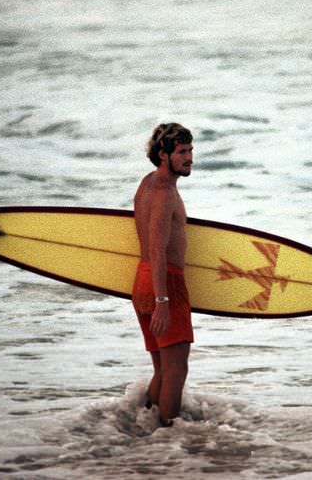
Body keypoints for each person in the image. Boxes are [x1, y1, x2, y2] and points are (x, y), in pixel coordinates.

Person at [131, 123, 194, 427]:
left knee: (162, 369)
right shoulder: (164, 192)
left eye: (191, 150)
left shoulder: (147, 183)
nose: (190, 157)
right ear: (162, 154)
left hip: (143, 280)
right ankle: (170, 439)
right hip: (164, 282)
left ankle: (143, 424)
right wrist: (163, 301)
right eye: (182, 151)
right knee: (176, 370)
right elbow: (158, 250)